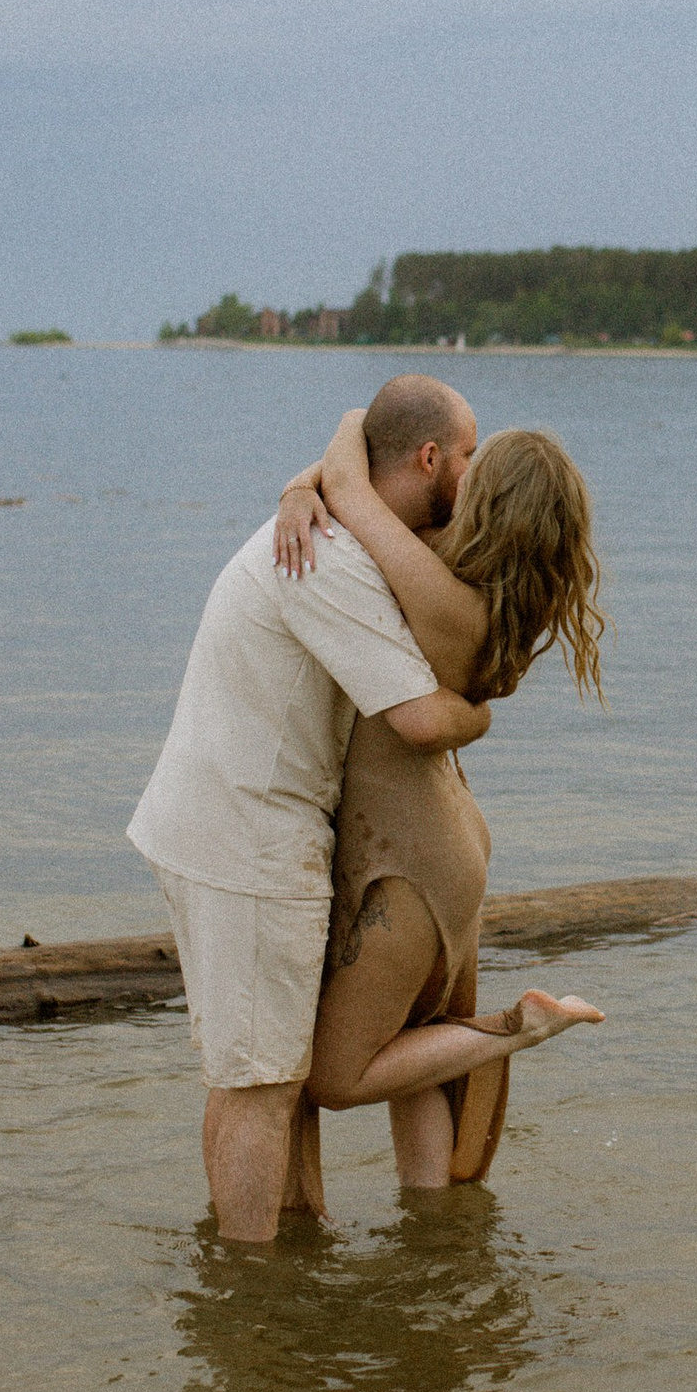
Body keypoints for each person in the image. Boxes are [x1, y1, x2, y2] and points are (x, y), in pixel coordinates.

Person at [128, 374, 492, 1247]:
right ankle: (251, 1302)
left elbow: (353, 442)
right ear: (430, 459)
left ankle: (276, 1257)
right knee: (260, 1082)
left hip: (234, 823)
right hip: (247, 834)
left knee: (261, 1075)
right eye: (470, 456)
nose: (475, 475)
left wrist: (305, 480)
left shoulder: (336, 520)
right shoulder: (329, 556)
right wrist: (486, 703)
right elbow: (416, 717)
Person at [272, 407, 606, 1197]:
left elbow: (353, 463)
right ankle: (440, 1235)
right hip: (455, 848)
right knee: (415, 1051)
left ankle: (513, 1030)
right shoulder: (496, 614)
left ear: (485, 500)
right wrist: (300, 485)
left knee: (336, 1076)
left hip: (412, 859)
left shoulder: (427, 574)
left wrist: (300, 488)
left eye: (473, 465)